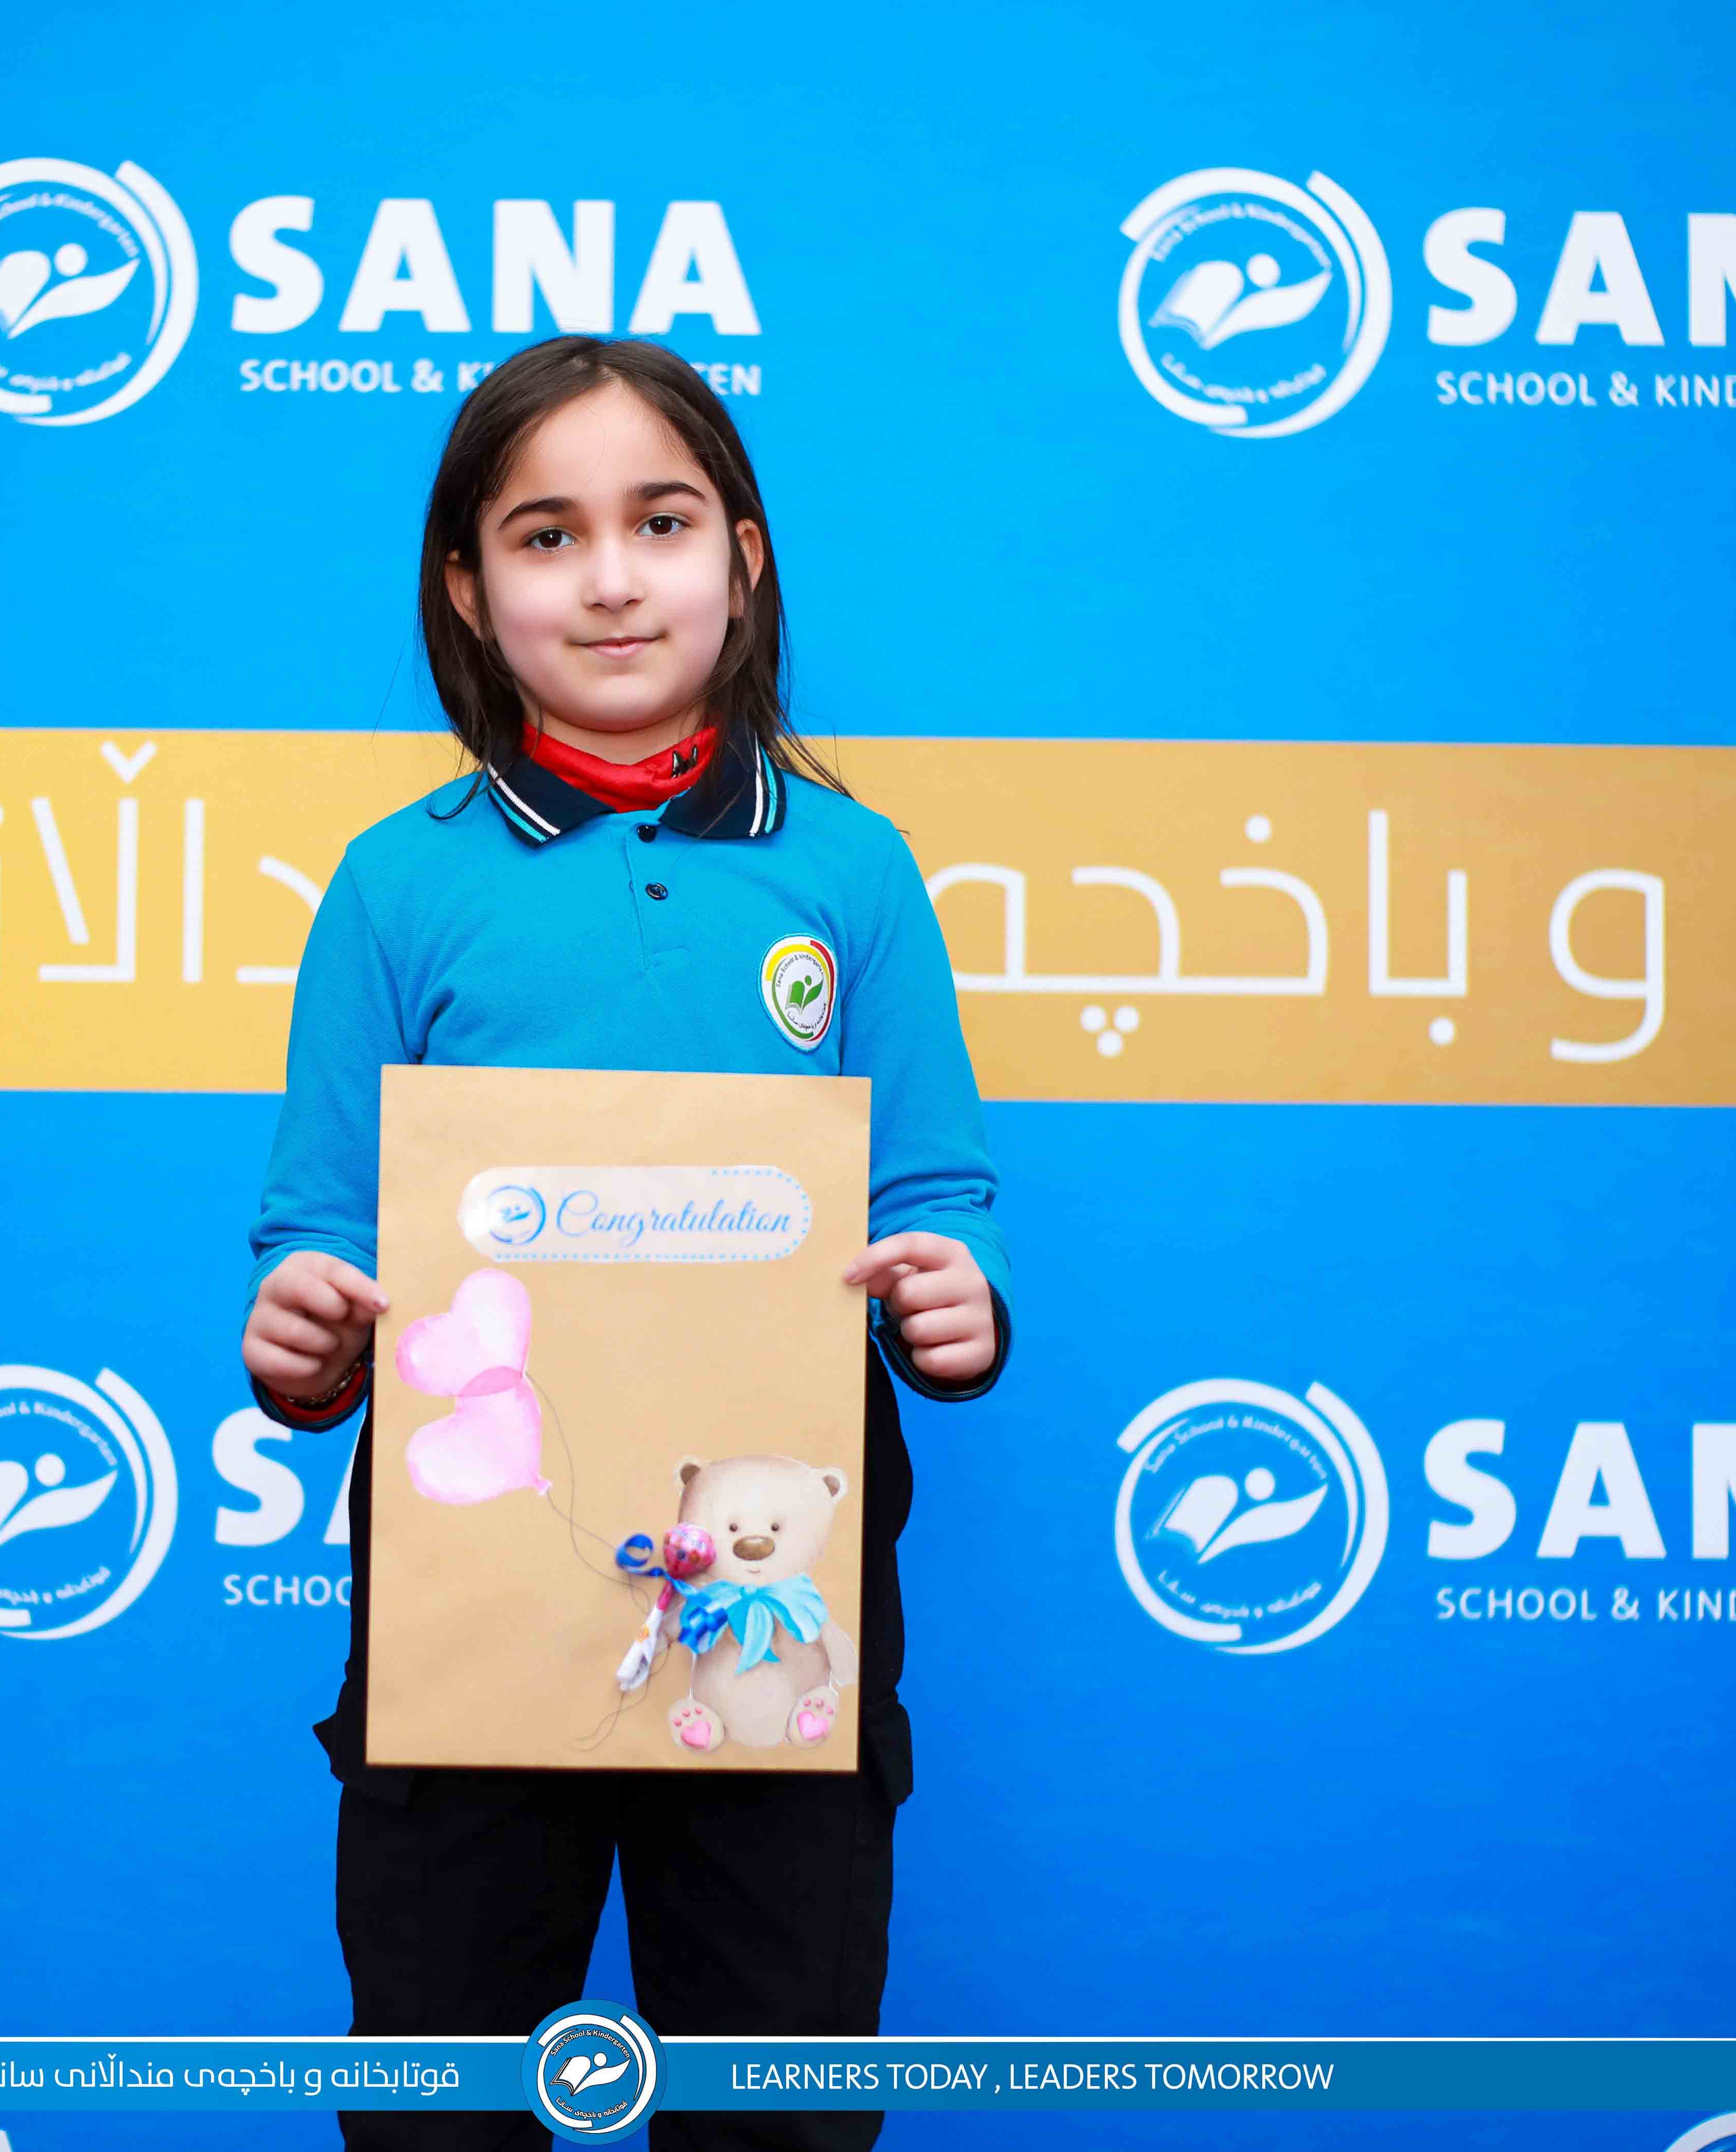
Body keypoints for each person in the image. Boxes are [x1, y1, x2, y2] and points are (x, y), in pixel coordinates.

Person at [239, 334, 1013, 2150]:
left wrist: (957, 1307)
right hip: (474, 1577)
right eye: (546, 535)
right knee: (439, 2090)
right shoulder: (398, 882)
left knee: (776, 2090)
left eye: (660, 523)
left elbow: (934, 1204)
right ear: (466, 585)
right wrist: (299, 1334)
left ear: (742, 556)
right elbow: (315, 1240)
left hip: (775, 1583)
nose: (609, 579)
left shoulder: (853, 871)